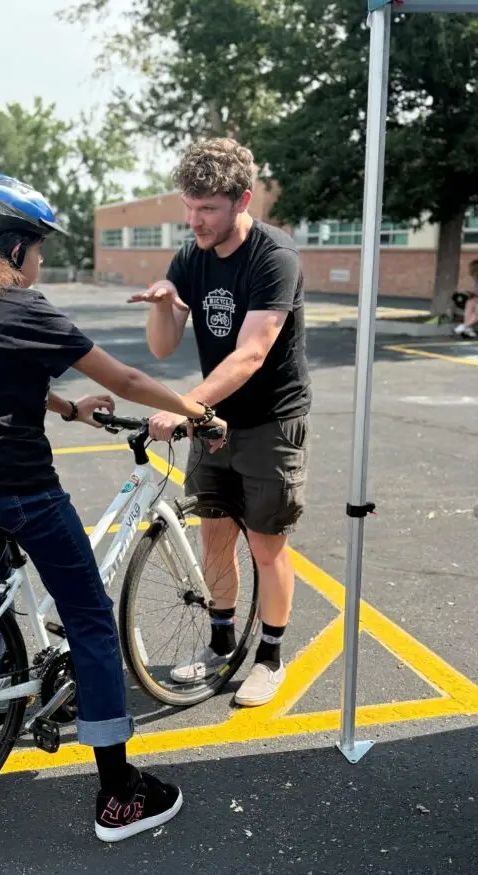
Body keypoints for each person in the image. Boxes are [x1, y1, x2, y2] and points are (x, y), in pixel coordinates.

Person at [0, 172, 217, 842]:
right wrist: (198, 410)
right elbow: (130, 379)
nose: (43, 261)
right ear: (19, 248)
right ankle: (119, 796)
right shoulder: (30, 309)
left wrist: (65, 408)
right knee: (89, 620)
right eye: (41, 248)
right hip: (21, 491)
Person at [129, 138, 311, 708]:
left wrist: (185, 407)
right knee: (213, 536)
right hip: (216, 423)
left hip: (271, 423)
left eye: (207, 208)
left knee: (266, 544)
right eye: (189, 206)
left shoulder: (272, 257)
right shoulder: (191, 256)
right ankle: (221, 644)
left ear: (242, 200)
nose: (195, 219)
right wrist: (164, 303)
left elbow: (251, 354)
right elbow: (162, 349)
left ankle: (271, 658)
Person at [453, 258, 478, 339]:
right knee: (470, 302)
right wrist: (469, 293)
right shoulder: (476, 281)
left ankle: (465, 326)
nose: (470, 273)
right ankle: (468, 328)